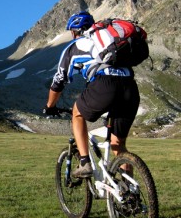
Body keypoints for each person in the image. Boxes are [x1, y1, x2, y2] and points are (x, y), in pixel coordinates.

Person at [43, 11, 140, 178]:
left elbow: (59, 80)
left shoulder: (76, 46)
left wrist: (50, 106)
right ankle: (131, 195)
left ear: (75, 31)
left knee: (77, 113)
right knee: (119, 145)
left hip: (105, 84)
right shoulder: (109, 41)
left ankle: (84, 162)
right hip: (130, 87)